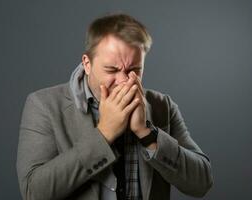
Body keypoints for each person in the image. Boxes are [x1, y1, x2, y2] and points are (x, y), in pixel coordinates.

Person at [16, 13, 213, 200]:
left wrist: (147, 134)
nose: (123, 81)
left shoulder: (163, 106)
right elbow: (33, 192)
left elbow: (201, 183)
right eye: (111, 69)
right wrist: (104, 134)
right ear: (87, 63)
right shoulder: (43, 105)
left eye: (134, 69)